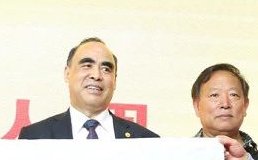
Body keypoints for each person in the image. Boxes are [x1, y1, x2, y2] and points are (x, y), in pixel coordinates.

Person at [18, 37, 157, 140]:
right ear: (67, 73)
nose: (96, 75)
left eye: (106, 69)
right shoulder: (34, 136)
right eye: (87, 65)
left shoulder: (146, 140)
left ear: (115, 80)